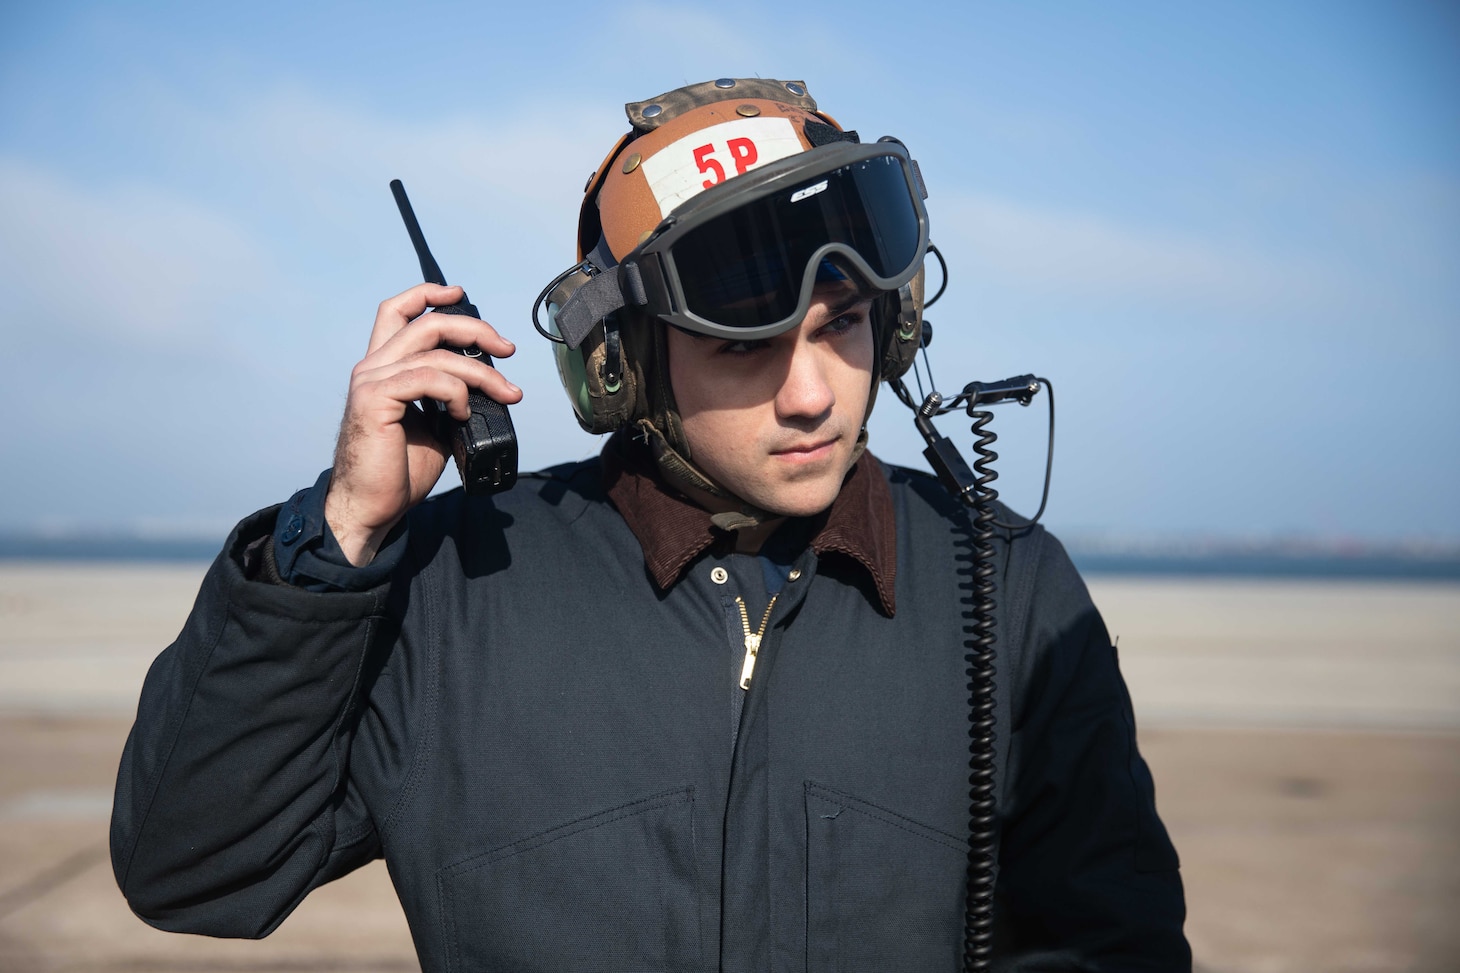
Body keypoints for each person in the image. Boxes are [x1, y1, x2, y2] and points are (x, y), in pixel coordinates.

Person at [112, 78, 1190, 971]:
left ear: (898, 323)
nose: (813, 393)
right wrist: (339, 534)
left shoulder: (1002, 585)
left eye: (843, 326)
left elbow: (1113, 941)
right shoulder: (455, 586)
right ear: (621, 362)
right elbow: (195, 866)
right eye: (742, 347)